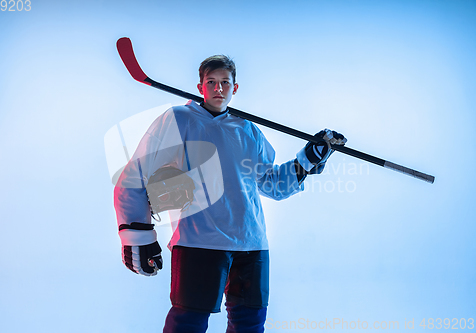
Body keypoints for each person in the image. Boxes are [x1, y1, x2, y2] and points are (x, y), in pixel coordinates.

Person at [114, 55, 346, 333]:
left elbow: (273, 185)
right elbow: (133, 176)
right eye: (211, 82)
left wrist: (308, 158)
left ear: (235, 88)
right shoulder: (178, 120)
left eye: (225, 82)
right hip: (199, 242)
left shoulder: (247, 129)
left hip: (252, 244)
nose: (218, 89)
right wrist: (137, 234)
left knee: (249, 325)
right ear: (200, 86)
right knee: (188, 324)